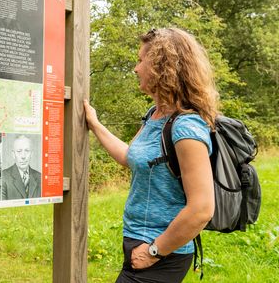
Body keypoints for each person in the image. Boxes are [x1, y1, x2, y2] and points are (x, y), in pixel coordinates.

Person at [84, 28, 216, 283]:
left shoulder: (186, 128)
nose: (136, 68)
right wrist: (95, 124)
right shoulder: (154, 114)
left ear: (160, 67)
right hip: (139, 241)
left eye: (141, 60)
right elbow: (129, 156)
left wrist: (154, 251)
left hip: (163, 253)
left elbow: (201, 208)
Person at [1, 135, 41, 200]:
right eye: (19, 151)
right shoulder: (4, 176)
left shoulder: (40, 177)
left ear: (32, 154)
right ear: (13, 154)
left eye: (27, 151)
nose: (23, 156)